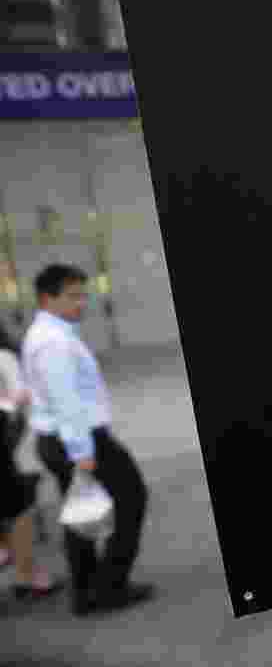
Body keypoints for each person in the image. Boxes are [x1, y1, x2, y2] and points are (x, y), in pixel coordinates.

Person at [24, 264, 153, 616]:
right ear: (47, 298)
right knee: (131, 498)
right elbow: (66, 401)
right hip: (78, 439)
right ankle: (109, 586)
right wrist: (82, 451)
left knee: (79, 512)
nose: (82, 303)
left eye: (83, 294)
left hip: (60, 438)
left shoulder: (48, 333)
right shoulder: (53, 342)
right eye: (73, 296)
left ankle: (88, 591)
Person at [0, 320, 63, 601]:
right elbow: (17, 400)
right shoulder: (5, 356)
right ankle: (27, 575)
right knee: (18, 505)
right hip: (5, 436)